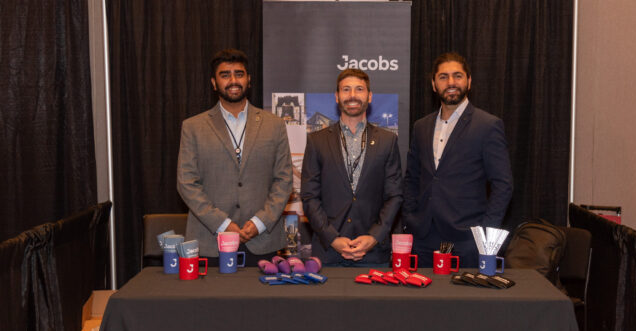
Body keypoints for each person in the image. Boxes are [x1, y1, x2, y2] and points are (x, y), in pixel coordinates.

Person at [177, 48, 292, 265]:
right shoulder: (193, 127)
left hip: (262, 241)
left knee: (263, 300)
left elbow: (284, 181)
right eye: (225, 75)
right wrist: (223, 224)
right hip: (211, 242)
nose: (233, 80)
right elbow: (187, 184)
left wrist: (259, 222)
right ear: (214, 83)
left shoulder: (274, 125)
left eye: (239, 74)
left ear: (249, 80)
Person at [403, 52, 513, 268]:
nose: (451, 82)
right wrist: (410, 218)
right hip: (424, 238)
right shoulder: (421, 127)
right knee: (421, 300)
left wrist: (484, 236)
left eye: (457, 76)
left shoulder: (488, 126)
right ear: (434, 84)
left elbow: (503, 184)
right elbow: (412, 178)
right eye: (443, 77)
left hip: (467, 241)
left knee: (466, 302)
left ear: (469, 81)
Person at [301, 69, 402, 266]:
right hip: (328, 251)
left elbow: (394, 195)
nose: (353, 95)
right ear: (337, 96)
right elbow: (309, 196)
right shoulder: (317, 141)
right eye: (346, 90)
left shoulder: (387, 141)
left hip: (373, 252)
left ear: (369, 96)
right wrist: (332, 238)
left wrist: (374, 237)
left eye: (359, 89)